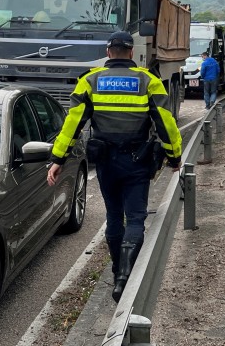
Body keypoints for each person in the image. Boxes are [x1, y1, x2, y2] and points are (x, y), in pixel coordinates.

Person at [47, 31, 183, 301]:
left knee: (113, 216)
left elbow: (72, 124)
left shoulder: (89, 81)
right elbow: (165, 123)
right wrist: (174, 156)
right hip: (138, 161)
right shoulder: (150, 81)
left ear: (109, 53)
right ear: (131, 53)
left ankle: (116, 269)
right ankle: (125, 276)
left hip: (106, 161)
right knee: (135, 218)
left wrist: (58, 159)